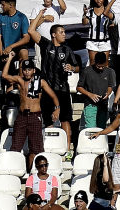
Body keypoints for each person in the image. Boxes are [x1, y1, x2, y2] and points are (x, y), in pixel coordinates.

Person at [29, 11, 81, 155]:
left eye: (64, 32)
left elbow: (77, 67)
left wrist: (72, 68)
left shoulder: (67, 49)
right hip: (47, 89)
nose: (64, 34)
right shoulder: (46, 45)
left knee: (65, 120)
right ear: (54, 34)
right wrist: (40, 15)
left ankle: (67, 150)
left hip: (63, 89)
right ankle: (49, 148)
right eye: (61, 32)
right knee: (48, 120)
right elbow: (31, 31)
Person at [4, 55, 59, 167]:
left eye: (29, 69)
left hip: (35, 116)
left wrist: (57, 109)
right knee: (15, 147)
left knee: (35, 149)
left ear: (34, 70)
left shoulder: (41, 82)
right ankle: (14, 170)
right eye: (25, 70)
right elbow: (4, 75)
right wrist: (9, 59)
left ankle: (33, 172)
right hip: (22, 116)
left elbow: (53, 96)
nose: (27, 72)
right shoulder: (19, 81)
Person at [77, 52, 116, 130]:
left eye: (103, 66)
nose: (101, 68)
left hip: (103, 104)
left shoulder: (110, 71)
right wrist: (90, 94)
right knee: (91, 128)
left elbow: (110, 86)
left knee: (101, 128)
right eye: (99, 66)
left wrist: (108, 93)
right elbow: (79, 87)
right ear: (95, 62)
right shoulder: (87, 71)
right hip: (90, 104)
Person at [83, 0, 118, 67]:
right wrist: (84, 14)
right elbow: (84, 23)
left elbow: (113, 22)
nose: (98, 1)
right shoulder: (90, 11)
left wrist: (110, 26)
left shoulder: (108, 11)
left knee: (105, 64)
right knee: (92, 63)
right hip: (92, 42)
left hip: (105, 42)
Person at [0, 0, 31, 66]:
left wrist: (11, 47)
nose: (1, 7)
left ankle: (23, 72)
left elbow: (26, 38)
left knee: (24, 53)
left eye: (3, 5)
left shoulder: (21, 17)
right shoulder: (0, 17)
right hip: (5, 49)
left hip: (17, 48)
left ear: (10, 5)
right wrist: (2, 54)